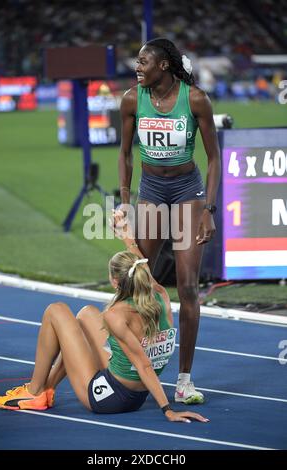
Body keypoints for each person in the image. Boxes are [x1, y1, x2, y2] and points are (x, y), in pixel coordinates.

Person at [0, 211, 208, 424]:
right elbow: (141, 266)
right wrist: (125, 234)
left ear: (115, 282)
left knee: (55, 310)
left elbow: (144, 366)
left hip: (109, 398)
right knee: (86, 314)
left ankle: (35, 390)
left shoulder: (116, 315)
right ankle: (47, 390)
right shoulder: (159, 295)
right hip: (137, 394)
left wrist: (168, 410)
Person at [118, 38, 221, 404]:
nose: (137, 66)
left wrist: (208, 209)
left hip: (186, 194)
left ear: (163, 66)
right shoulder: (132, 99)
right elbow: (125, 154)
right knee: (136, 281)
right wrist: (125, 202)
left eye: (143, 61)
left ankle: (183, 379)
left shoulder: (194, 100)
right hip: (150, 191)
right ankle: (131, 365)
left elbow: (214, 158)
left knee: (188, 286)